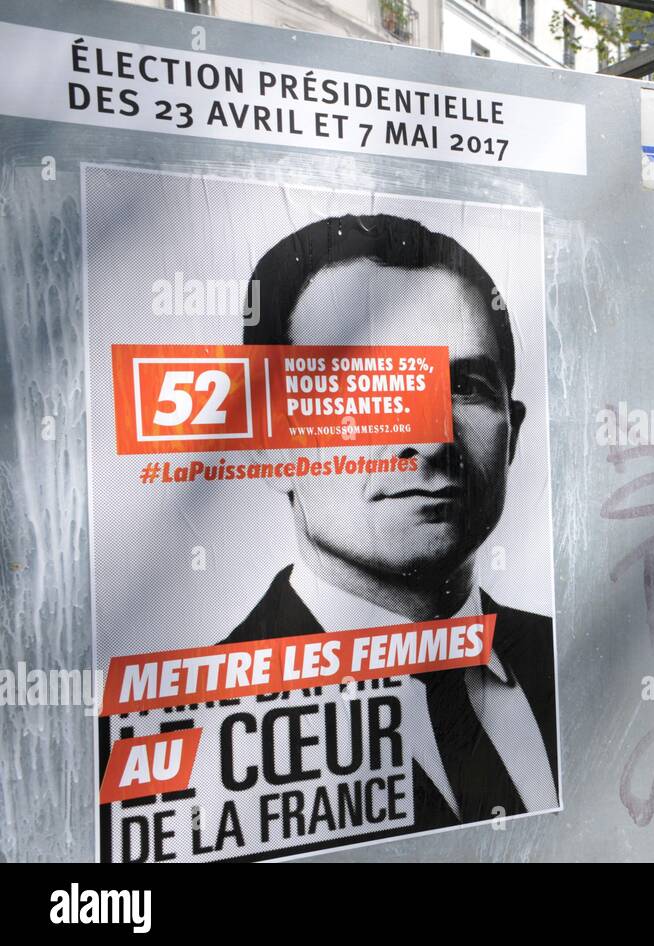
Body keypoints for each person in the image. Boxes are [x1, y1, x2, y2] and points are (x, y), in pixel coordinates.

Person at [223, 214, 558, 830]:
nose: (429, 439)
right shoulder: (197, 728)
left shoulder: (567, 663)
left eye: (464, 388)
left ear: (512, 435)